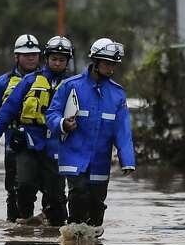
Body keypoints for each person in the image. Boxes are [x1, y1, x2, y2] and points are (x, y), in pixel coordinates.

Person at [45, 38, 135, 227]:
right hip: (73, 155)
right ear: (95, 61)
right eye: (107, 63)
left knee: (96, 205)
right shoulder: (71, 86)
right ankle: (73, 237)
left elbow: (123, 131)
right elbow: (52, 113)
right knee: (78, 194)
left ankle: (92, 242)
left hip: (100, 159)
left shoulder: (117, 94)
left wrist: (127, 160)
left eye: (114, 64)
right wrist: (63, 124)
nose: (111, 68)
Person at [0, 36, 74, 225]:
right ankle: (23, 222)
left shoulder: (73, 84)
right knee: (24, 183)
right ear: (47, 58)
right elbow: (7, 109)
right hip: (29, 140)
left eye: (61, 60)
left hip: (57, 144)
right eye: (54, 59)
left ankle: (55, 227)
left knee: (56, 193)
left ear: (67, 62)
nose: (57, 63)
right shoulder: (30, 80)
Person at [0, 33, 43, 221]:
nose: (31, 58)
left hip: (44, 142)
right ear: (16, 57)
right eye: (26, 55)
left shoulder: (48, 80)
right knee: (15, 189)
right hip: (14, 142)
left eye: (34, 54)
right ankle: (16, 229)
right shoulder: (2, 82)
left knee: (50, 189)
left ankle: (49, 226)